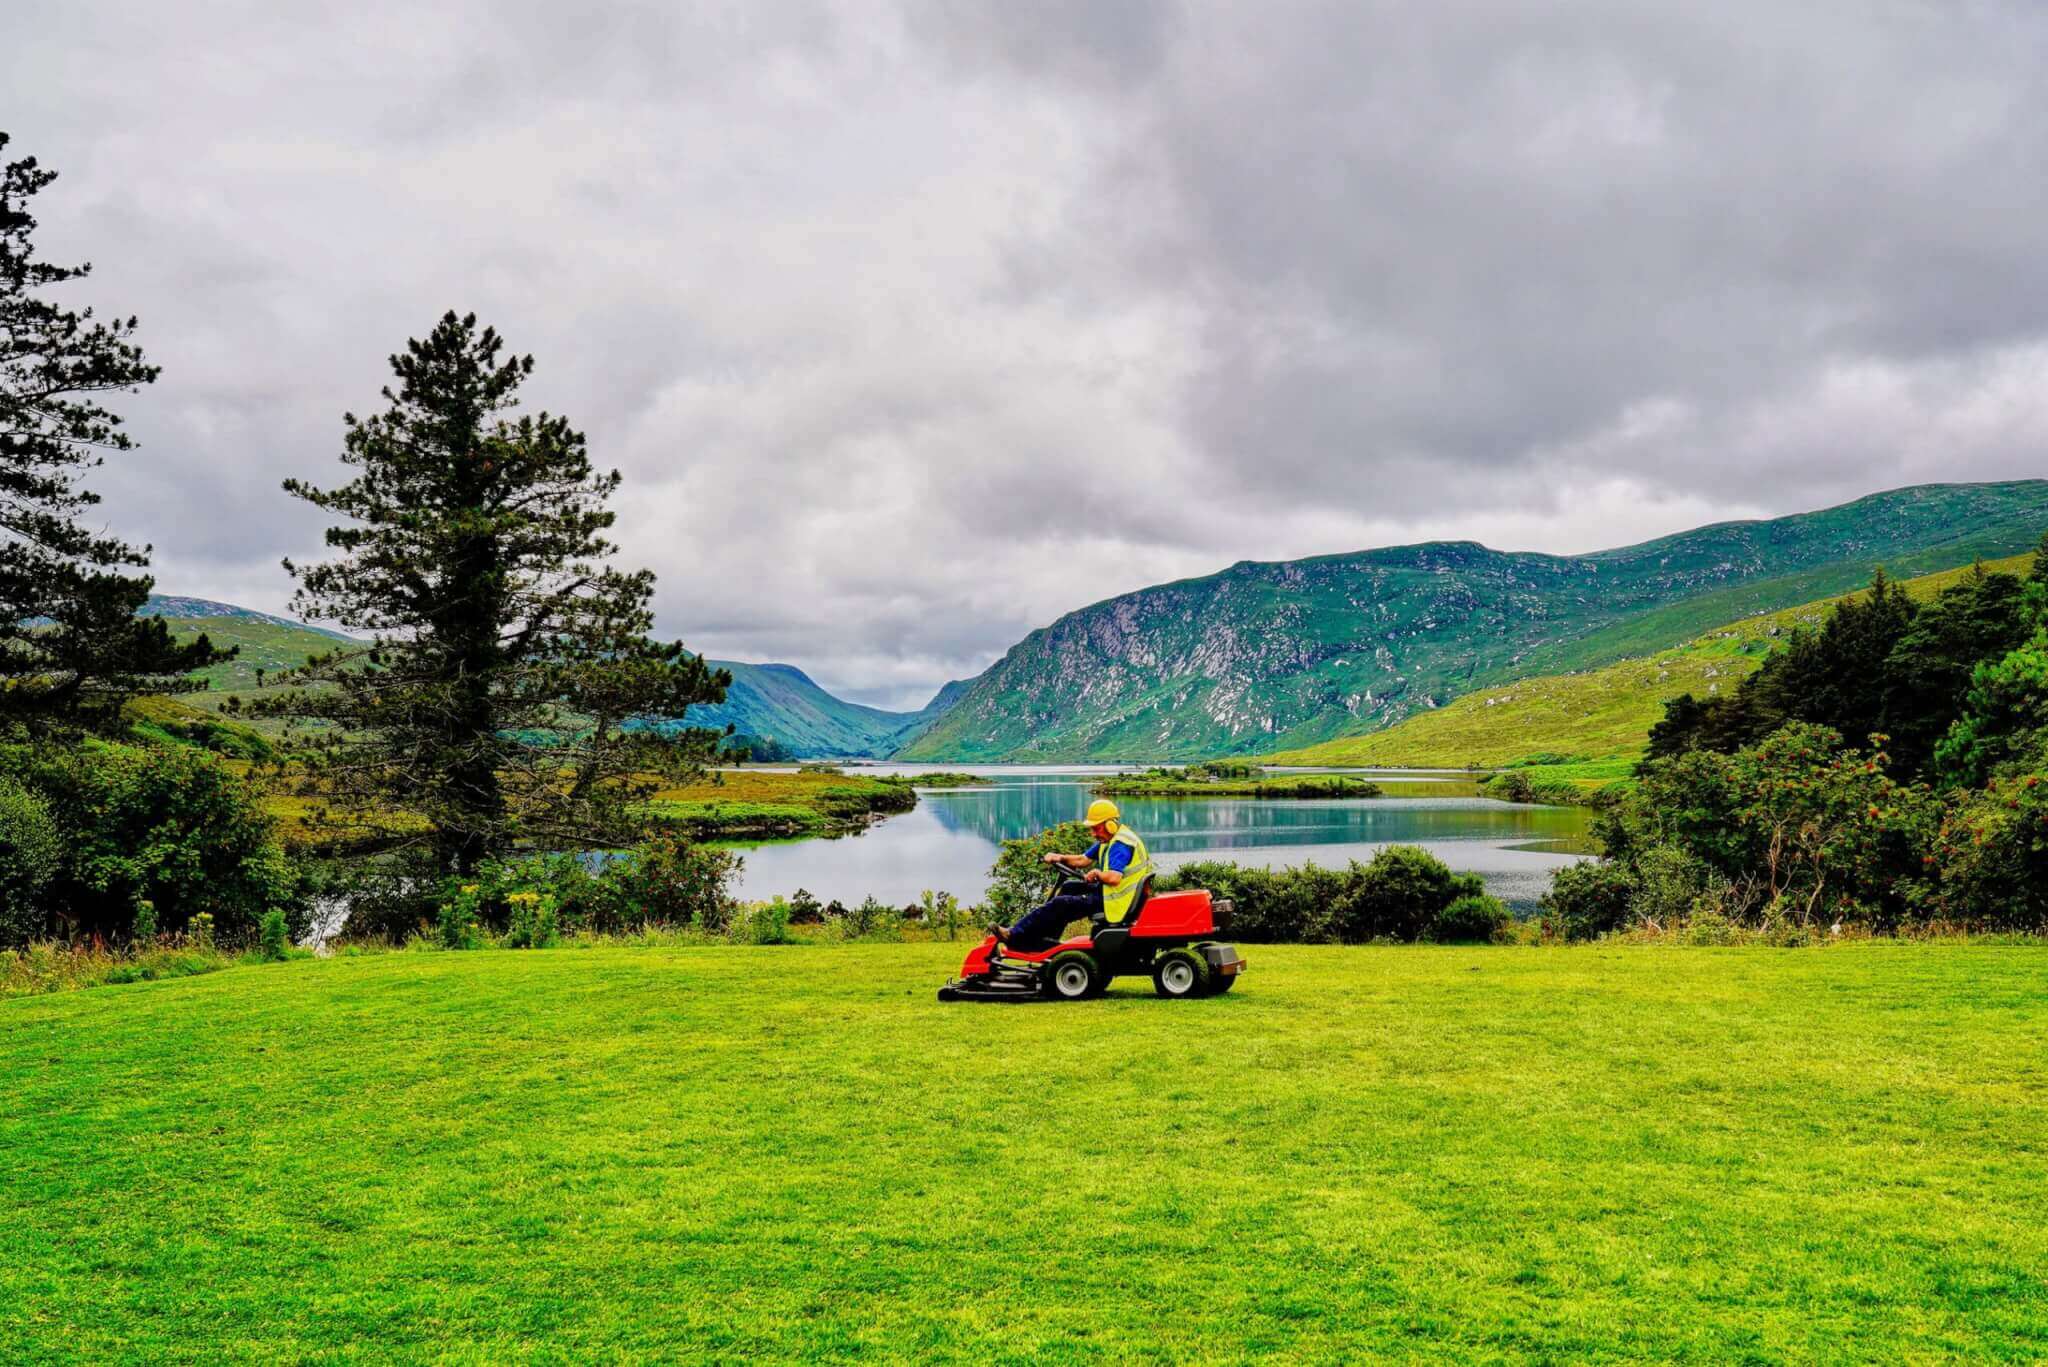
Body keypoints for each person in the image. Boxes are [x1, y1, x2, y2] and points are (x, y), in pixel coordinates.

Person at [989, 798, 1153, 952]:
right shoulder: (1109, 840)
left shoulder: (1121, 844)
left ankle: (1014, 934)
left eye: (1096, 828)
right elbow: (1083, 860)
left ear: (1109, 824)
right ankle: (1047, 940)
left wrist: (1097, 873)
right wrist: (1059, 857)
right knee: (1069, 887)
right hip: (1112, 895)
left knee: (1061, 903)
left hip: (1117, 902)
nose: (1093, 833)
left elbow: (1114, 878)